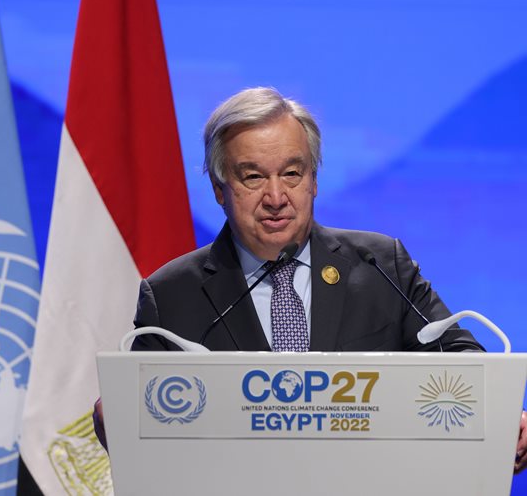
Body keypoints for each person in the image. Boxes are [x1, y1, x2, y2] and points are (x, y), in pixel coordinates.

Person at [94, 86, 527, 472]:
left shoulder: (381, 265)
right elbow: (137, 418)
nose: (276, 197)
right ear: (220, 190)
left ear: (314, 180)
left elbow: (463, 367)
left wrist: (504, 418)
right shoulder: (172, 295)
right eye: (253, 177)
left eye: (292, 173)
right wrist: (118, 416)